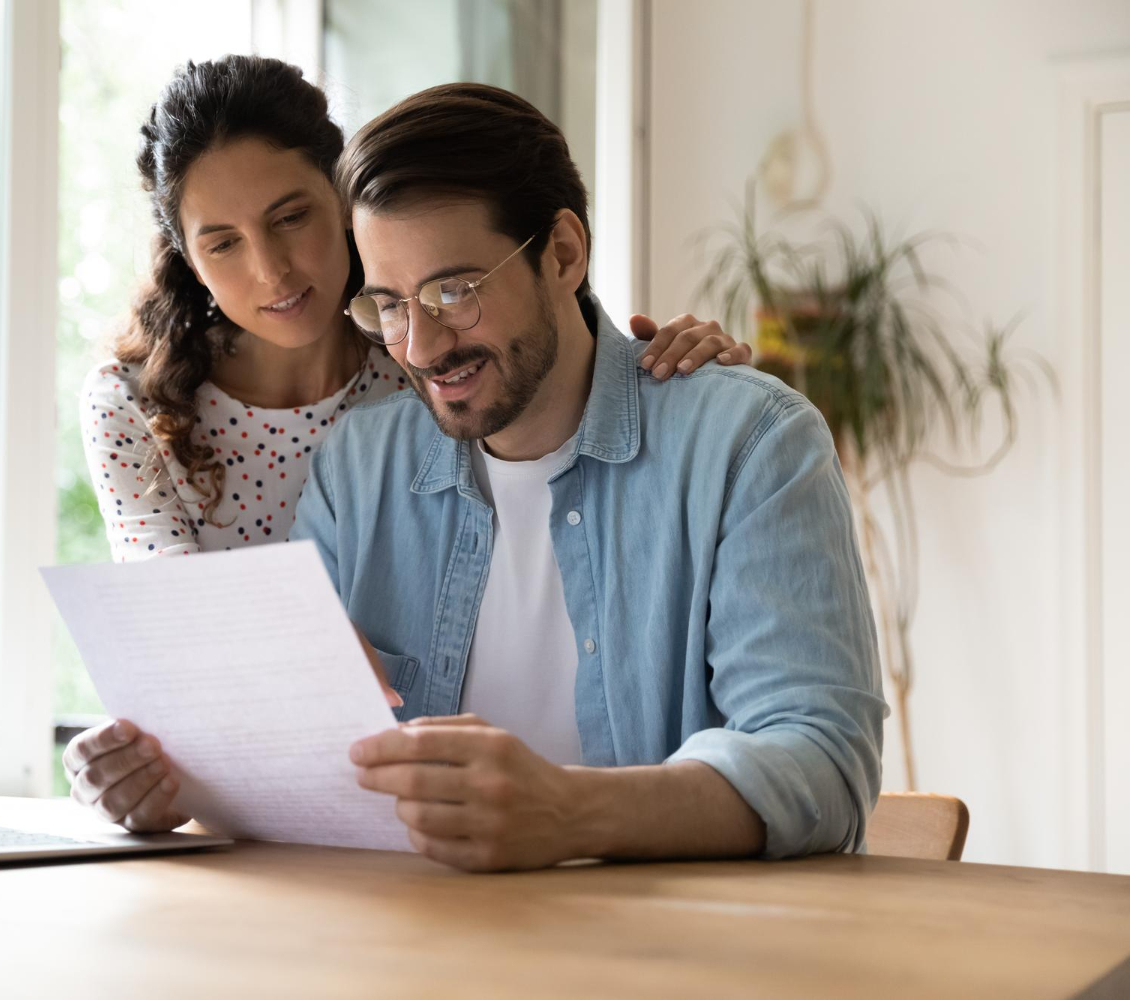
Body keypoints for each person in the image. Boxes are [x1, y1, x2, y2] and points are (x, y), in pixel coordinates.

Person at [63, 57, 755, 836]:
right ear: (189, 260)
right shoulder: (140, 404)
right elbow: (184, 663)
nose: (272, 269)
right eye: (222, 243)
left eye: (293, 217)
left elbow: (549, 341)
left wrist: (678, 374)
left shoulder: (422, 372)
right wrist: (138, 766)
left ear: (344, 200)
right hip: (286, 800)